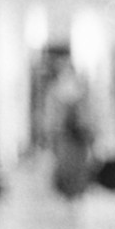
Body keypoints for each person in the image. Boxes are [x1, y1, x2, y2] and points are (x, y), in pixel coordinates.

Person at [46, 58, 95, 203]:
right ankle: (66, 190)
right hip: (63, 133)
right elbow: (51, 114)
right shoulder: (55, 91)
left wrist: (89, 129)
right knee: (64, 163)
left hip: (79, 134)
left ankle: (77, 191)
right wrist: (51, 131)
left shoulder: (82, 90)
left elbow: (88, 112)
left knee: (78, 163)